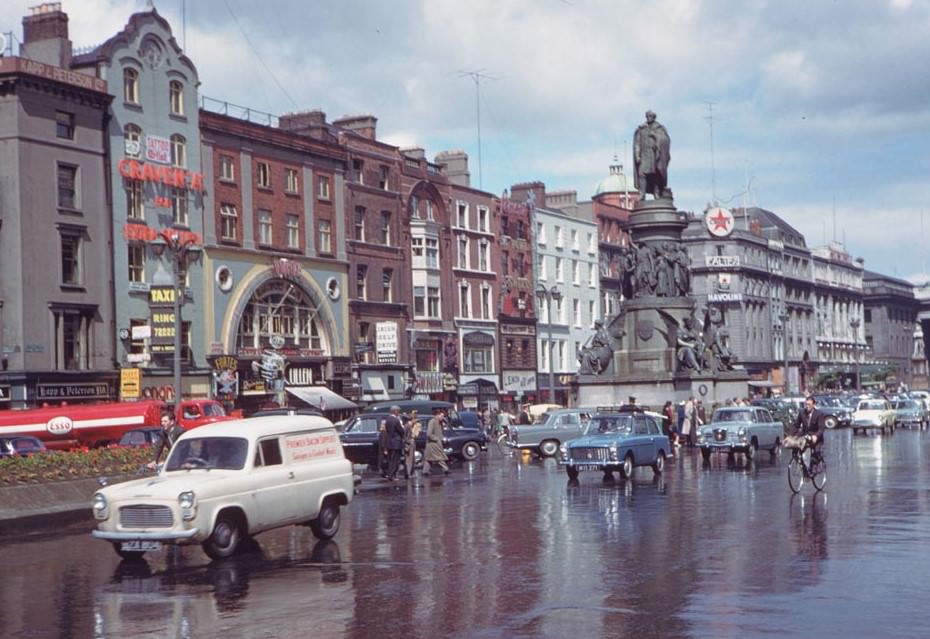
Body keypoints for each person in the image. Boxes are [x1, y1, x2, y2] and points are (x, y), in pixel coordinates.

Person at [633, 110, 671, 200]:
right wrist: (637, 155)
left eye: (650, 116)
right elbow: (637, 144)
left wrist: (656, 137)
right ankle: (642, 193)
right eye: (647, 116)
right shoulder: (641, 129)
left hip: (655, 155)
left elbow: (666, 141)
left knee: (656, 174)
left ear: (654, 117)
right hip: (644, 155)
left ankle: (656, 192)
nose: (648, 118)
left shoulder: (660, 128)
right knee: (642, 173)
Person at [423, 407, 450, 476]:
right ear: (437, 415)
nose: (443, 417)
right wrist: (436, 439)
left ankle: (425, 471)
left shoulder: (439, 422)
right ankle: (445, 469)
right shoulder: (432, 422)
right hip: (433, 444)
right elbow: (429, 434)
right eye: (442, 416)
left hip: (436, 443)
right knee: (439, 457)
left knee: (429, 458)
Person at [383, 405, 406, 480]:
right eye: (398, 411)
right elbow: (401, 431)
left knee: (391, 459)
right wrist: (403, 428)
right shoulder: (396, 421)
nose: (399, 413)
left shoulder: (387, 420)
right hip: (396, 442)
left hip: (389, 442)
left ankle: (390, 474)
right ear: (395, 411)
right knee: (395, 460)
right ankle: (392, 475)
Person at [403, 410, 421, 479]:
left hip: (412, 443)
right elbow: (404, 437)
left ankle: (410, 472)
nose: (416, 421)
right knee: (408, 459)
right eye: (415, 419)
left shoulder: (411, 426)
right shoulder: (407, 426)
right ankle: (408, 473)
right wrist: (408, 442)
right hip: (408, 444)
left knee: (412, 458)